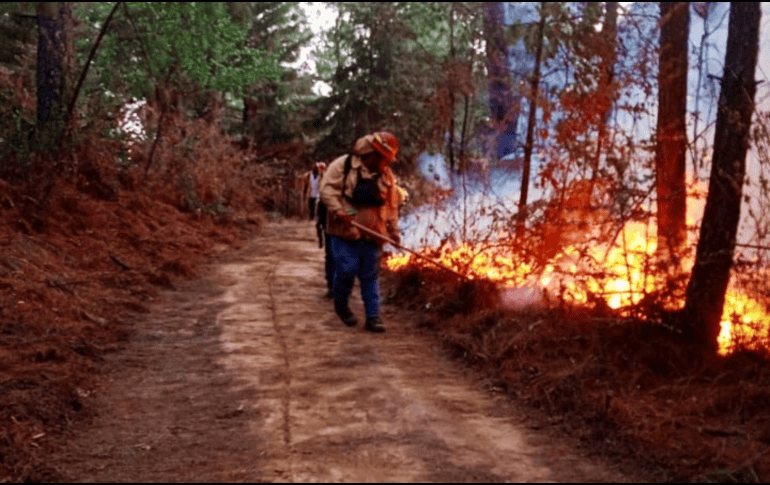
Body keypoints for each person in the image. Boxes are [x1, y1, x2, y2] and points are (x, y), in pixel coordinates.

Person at [319, 132, 401, 333]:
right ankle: (341, 304)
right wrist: (339, 211)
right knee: (346, 269)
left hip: (373, 234)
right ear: (372, 153)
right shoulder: (343, 165)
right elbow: (327, 190)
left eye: (387, 160)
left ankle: (373, 317)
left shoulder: (387, 175)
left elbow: (391, 206)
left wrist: (393, 231)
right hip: (345, 232)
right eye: (382, 158)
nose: (385, 164)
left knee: (370, 275)